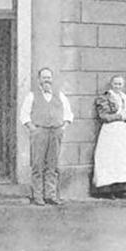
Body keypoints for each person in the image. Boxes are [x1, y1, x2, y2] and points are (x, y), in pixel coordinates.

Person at [18, 67, 73, 205]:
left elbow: (68, 114)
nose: (47, 80)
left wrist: (63, 127)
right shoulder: (32, 96)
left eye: (49, 77)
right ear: (39, 80)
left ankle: (51, 195)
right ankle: (38, 196)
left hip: (56, 132)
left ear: (52, 79)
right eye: (44, 77)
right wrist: (34, 130)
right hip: (40, 132)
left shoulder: (59, 95)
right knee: (38, 164)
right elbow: (24, 115)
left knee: (53, 165)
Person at [92, 75, 126, 198]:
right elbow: (103, 116)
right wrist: (119, 117)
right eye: (115, 84)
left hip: (124, 132)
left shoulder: (125, 98)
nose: (117, 86)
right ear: (111, 84)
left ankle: (120, 188)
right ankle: (108, 190)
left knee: (123, 158)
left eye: (120, 84)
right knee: (110, 158)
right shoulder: (105, 98)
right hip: (111, 131)